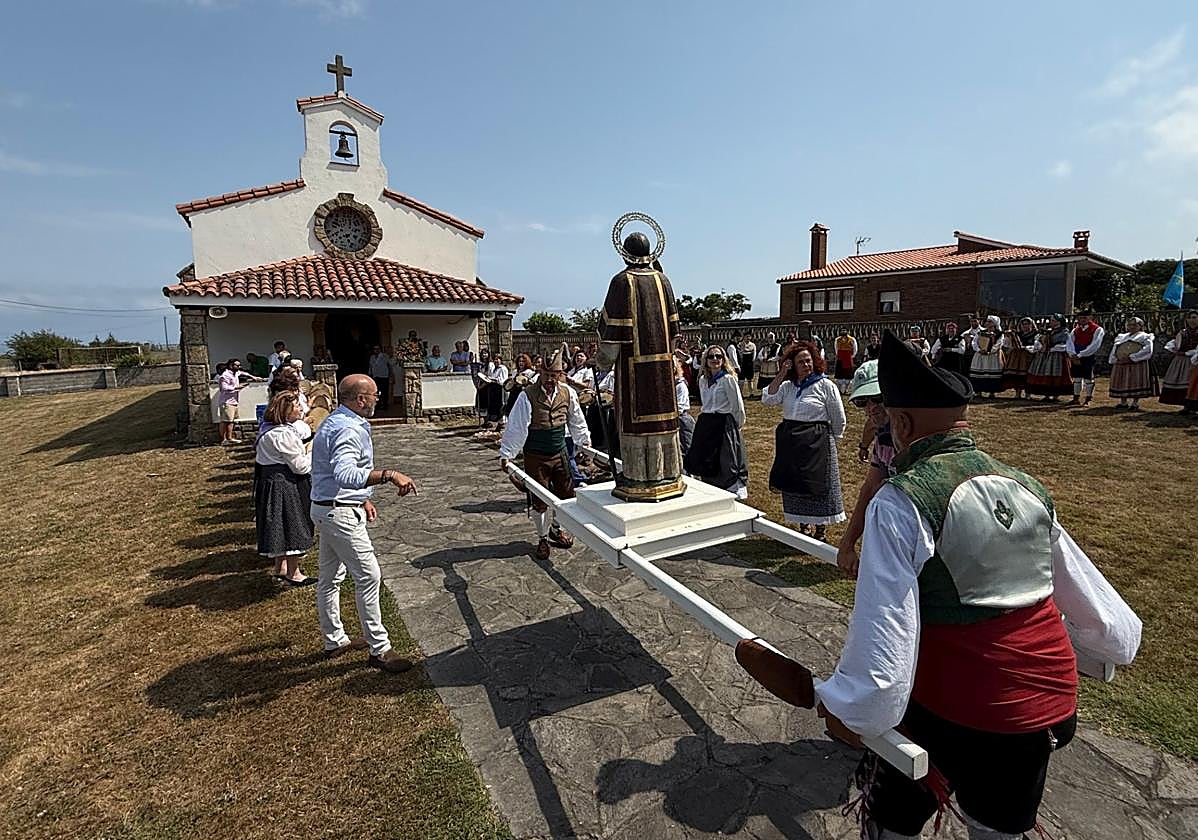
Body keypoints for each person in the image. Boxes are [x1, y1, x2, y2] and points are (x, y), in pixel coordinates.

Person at [815, 331, 1142, 840]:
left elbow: (885, 628)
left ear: (900, 424)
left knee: (891, 823)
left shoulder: (902, 501)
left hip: (956, 701)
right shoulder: (1027, 485)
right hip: (1047, 702)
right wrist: (1105, 646)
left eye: (887, 420)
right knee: (997, 830)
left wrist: (853, 709)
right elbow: (1093, 604)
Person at [309, 374, 418, 673]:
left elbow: (332, 474)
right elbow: (345, 473)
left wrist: (362, 498)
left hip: (326, 507)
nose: (378, 398)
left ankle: (334, 640)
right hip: (339, 514)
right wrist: (389, 474)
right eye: (374, 394)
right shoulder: (347, 429)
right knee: (369, 576)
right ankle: (380, 650)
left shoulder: (335, 422)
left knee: (330, 578)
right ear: (360, 399)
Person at [598, 227, 686, 502]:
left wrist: (602, 362)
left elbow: (611, 340)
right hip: (661, 369)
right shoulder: (664, 281)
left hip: (632, 370)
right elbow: (674, 332)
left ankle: (638, 478)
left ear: (624, 254)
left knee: (636, 425)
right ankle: (668, 475)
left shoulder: (621, 282)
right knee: (662, 423)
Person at [499, 346, 591, 560]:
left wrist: (584, 442)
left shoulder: (568, 393)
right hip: (536, 456)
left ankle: (556, 529)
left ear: (560, 375)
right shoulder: (527, 395)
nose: (550, 379)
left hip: (559, 453)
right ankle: (542, 538)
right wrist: (507, 453)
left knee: (566, 496)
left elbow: (576, 420)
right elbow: (517, 426)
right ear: (540, 372)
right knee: (539, 500)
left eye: (554, 375)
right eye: (547, 374)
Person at [763, 340, 847, 540]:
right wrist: (782, 372)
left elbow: (838, 417)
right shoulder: (788, 386)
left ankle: (821, 529)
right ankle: (804, 524)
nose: (806, 365)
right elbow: (767, 399)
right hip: (791, 441)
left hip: (817, 441)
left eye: (808, 360)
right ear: (792, 364)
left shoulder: (825, 385)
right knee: (795, 481)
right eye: (801, 362)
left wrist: (830, 440)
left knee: (817, 483)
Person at [835, 360, 895, 577]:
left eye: (878, 398)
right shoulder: (884, 438)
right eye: (862, 402)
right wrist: (848, 543)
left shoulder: (913, 438)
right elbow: (869, 488)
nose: (871, 407)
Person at [255, 392, 316, 587]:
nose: (301, 409)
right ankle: (293, 572)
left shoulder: (269, 430)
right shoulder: (282, 435)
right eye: (297, 406)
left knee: (278, 524)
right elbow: (301, 467)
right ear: (286, 411)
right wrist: (315, 453)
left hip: (271, 481)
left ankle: (280, 567)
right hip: (285, 484)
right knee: (292, 524)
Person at [684, 344, 748, 499]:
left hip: (723, 422)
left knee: (726, 459)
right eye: (711, 356)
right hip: (707, 422)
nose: (715, 359)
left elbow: (737, 406)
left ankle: (731, 489)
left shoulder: (727, 379)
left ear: (723, 359)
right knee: (707, 457)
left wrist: (734, 427)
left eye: (718, 356)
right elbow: (705, 403)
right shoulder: (703, 381)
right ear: (705, 360)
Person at [1108, 317, 1157, 410]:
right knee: (1121, 381)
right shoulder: (1122, 337)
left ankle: (1135, 403)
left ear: (1140, 326)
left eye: (1134, 325)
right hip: (1121, 363)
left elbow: (1148, 350)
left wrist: (1132, 357)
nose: (1132, 327)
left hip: (1136, 363)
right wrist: (1115, 359)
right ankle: (1123, 402)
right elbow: (1115, 349)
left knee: (1136, 381)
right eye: (1130, 324)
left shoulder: (1145, 336)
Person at [1025, 314, 1073, 402]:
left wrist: (1051, 348)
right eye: (1051, 320)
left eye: (1053, 320)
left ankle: (1055, 395)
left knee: (1056, 373)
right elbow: (1038, 341)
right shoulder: (1048, 331)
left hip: (1057, 356)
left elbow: (1065, 345)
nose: (1051, 322)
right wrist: (1040, 346)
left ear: (1059, 322)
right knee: (1044, 372)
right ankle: (1046, 394)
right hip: (1045, 356)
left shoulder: (1064, 332)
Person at [1160, 310, 1198, 409]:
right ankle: (1185, 406)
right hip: (1180, 360)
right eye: (1189, 318)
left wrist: (1187, 353)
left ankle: (1192, 406)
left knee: (1192, 383)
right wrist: (1173, 349)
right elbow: (1175, 343)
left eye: (1194, 317)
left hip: (1194, 360)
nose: (1192, 320)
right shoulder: (1183, 332)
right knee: (1179, 381)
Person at [1066, 310, 1105, 406]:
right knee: (1077, 378)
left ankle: (1088, 398)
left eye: (1085, 318)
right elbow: (1070, 343)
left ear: (1090, 318)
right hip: (1076, 355)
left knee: (1088, 378)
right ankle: (1076, 398)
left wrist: (1080, 355)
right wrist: (1072, 354)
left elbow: (1095, 345)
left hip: (1088, 356)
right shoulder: (1075, 330)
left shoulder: (1097, 329)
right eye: (1080, 318)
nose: (1082, 320)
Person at [217, 358, 259, 444]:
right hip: (226, 401)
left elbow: (243, 373)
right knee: (225, 421)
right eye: (237, 365)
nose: (239, 367)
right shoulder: (224, 375)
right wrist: (238, 387)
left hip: (234, 401)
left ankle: (229, 438)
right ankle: (223, 440)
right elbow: (224, 388)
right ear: (231, 365)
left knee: (231, 420)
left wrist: (252, 377)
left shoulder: (236, 373)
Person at [969, 315, 1007, 399]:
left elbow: (999, 344)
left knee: (992, 374)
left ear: (994, 323)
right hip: (980, 355)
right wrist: (979, 350)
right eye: (987, 321)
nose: (987, 323)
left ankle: (992, 392)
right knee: (979, 373)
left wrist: (990, 351)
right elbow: (974, 342)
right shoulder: (980, 332)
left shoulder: (999, 334)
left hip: (992, 356)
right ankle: (978, 391)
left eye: (990, 322)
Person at [1002, 317, 1039, 399]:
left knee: (1028, 375)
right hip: (1017, 357)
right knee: (1017, 375)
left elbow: (1037, 346)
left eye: (1027, 324)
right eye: (1023, 324)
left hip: (1029, 356)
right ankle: (1017, 393)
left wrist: (1027, 348)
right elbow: (1006, 344)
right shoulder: (1017, 334)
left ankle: (1028, 394)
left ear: (1031, 325)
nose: (1025, 326)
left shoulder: (1036, 334)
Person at [475, 350, 508, 429]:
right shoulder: (495, 369)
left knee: (501, 406)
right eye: (495, 359)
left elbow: (503, 380)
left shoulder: (503, 368)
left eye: (498, 359)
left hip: (500, 390)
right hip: (494, 390)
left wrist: (494, 379)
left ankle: (502, 424)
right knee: (494, 407)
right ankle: (496, 423)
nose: (496, 361)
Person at [674, 358, 695, 457]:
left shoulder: (680, 385)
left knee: (687, 448)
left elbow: (680, 406)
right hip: (673, 421)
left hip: (682, 420)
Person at [367, 346, 391, 411]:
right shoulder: (372, 357)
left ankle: (385, 405)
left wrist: (391, 375)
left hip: (384, 376)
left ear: (380, 349)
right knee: (376, 391)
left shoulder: (385, 356)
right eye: (374, 349)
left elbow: (389, 365)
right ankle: (377, 405)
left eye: (377, 349)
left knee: (384, 391)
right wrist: (370, 374)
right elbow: (370, 366)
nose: (376, 350)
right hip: (375, 376)